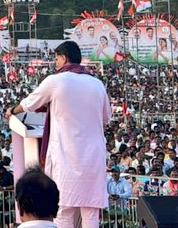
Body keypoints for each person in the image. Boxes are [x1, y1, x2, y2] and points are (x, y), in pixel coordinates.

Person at [6, 40, 111, 228]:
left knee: (64, 209)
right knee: (91, 211)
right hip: (93, 156)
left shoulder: (56, 80)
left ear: (64, 58)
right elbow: (105, 118)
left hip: (66, 153)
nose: (55, 63)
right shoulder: (97, 84)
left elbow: (30, 102)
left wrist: (12, 110)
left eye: (56, 58)